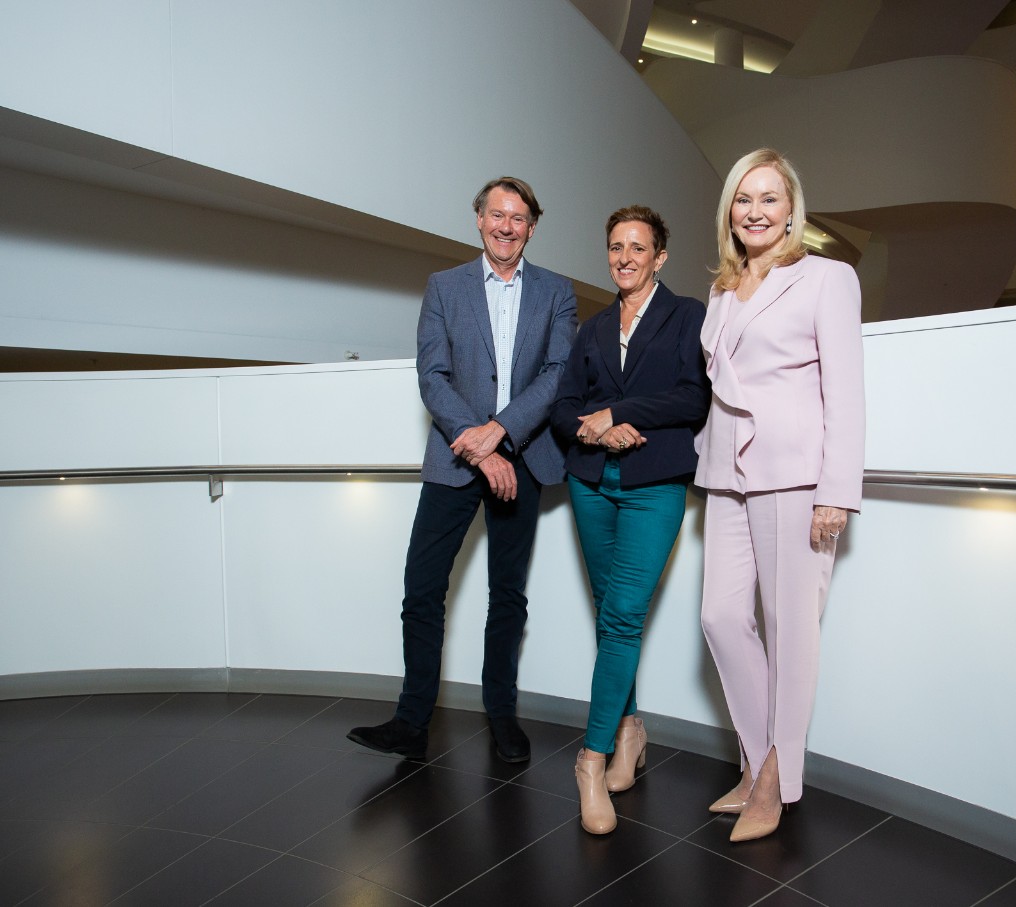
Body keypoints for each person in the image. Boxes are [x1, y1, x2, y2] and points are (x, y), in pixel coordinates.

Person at [349, 177, 578, 763]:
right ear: (478, 219)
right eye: (497, 214)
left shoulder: (557, 292)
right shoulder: (444, 288)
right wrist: (477, 448)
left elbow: (556, 375)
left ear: (532, 227)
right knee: (421, 589)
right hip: (456, 460)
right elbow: (432, 375)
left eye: (519, 217)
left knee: (508, 595)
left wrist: (500, 433)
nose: (507, 226)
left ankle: (502, 717)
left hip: (523, 458)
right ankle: (411, 719)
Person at [697, 149, 865, 842]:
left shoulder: (827, 277)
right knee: (720, 617)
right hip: (726, 471)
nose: (756, 211)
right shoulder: (721, 288)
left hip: (796, 473)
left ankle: (774, 777)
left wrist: (837, 489)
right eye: (743, 198)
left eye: (769, 198)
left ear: (792, 209)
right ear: (729, 213)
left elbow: (846, 393)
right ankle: (760, 753)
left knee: (791, 625)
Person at [551, 205, 710, 834]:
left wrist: (616, 413)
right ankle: (630, 731)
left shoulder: (686, 314)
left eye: (637, 247)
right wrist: (594, 430)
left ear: (659, 257)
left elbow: (692, 396)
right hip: (591, 484)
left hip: (655, 485)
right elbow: (565, 407)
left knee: (621, 618)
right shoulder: (591, 330)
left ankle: (589, 762)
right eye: (615, 246)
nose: (624, 257)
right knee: (608, 611)